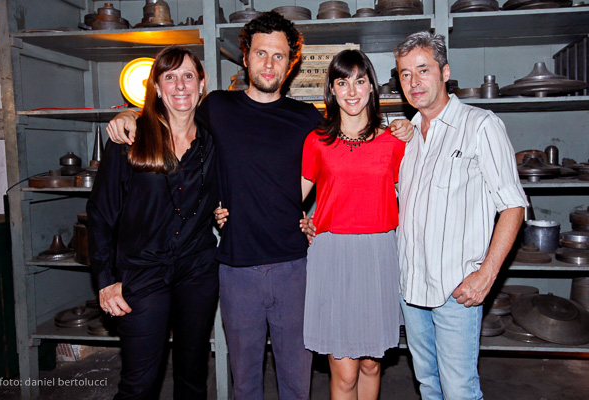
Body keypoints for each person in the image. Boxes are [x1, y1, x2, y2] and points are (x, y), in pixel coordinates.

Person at [107, 12, 412, 399]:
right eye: (261, 53)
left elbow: (344, 165)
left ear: (292, 63)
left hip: (296, 267)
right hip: (237, 269)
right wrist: (130, 114)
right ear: (246, 57)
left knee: (296, 385)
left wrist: (403, 126)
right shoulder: (216, 108)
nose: (270, 63)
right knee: (245, 383)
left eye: (280, 56)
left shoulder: (307, 120)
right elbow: (172, 114)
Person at [394, 31, 527, 399]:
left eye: (423, 70)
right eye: (405, 74)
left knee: (459, 391)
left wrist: (487, 274)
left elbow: (514, 206)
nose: (414, 82)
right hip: (412, 287)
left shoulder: (481, 125)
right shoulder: (409, 137)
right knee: (428, 386)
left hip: (456, 289)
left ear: (445, 72)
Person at [87, 46, 219, 399]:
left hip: (197, 272)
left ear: (202, 84)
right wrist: (105, 280)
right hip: (142, 273)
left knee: (193, 375)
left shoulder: (212, 140)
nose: (180, 85)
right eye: (170, 77)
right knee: (140, 382)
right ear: (157, 87)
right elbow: (100, 214)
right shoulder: (130, 139)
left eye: (188, 76)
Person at [300, 49, 405, 399]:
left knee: (372, 364)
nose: (352, 90)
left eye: (360, 81)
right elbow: (289, 199)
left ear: (372, 87)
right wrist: (301, 221)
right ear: (332, 89)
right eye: (342, 82)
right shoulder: (317, 141)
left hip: (379, 255)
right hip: (334, 256)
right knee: (344, 372)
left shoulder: (394, 142)